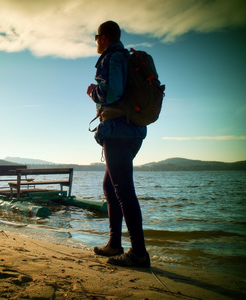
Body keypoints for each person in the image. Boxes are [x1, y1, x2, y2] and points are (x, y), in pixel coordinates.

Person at [86, 21, 150, 268]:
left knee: (123, 190)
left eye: (96, 37)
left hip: (117, 131)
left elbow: (111, 93)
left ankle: (139, 253)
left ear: (104, 38)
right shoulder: (127, 58)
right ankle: (115, 244)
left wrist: (93, 92)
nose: (96, 41)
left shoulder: (111, 57)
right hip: (134, 131)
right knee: (111, 187)